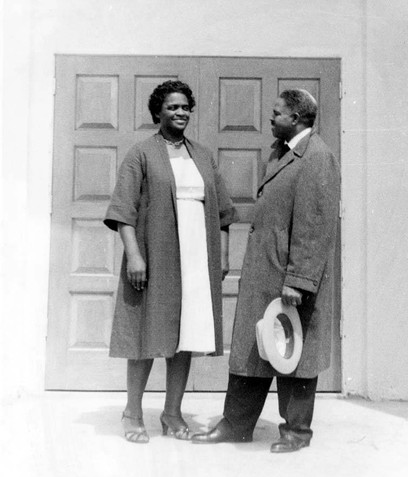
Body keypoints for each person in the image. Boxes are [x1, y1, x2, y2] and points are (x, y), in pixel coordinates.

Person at [192, 89, 340, 453]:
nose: (270, 119)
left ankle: (296, 434)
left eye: (277, 113)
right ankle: (237, 425)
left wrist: (299, 280)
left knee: (296, 354)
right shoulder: (281, 153)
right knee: (250, 349)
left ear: (298, 118)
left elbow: (315, 226)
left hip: (292, 279)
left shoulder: (317, 158)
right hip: (264, 273)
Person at [104, 80, 237, 443]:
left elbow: (223, 213)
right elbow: (123, 212)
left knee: (187, 334)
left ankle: (172, 412)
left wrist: (222, 256)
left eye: (185, 107)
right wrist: (134, 255)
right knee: (148, 333)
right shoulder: (141, 153)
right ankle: (132, 412)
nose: (180, 113)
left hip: (198, 257)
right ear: (158, 112)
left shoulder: (204, 155)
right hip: (157, 255)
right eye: (172, 107)